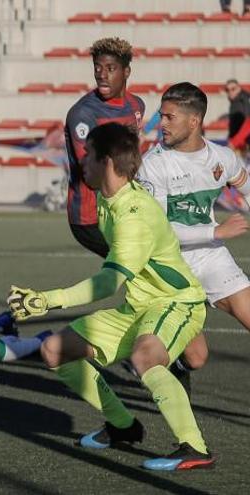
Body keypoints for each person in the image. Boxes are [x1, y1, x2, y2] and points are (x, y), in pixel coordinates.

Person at [8, 122, 215, 471]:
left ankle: (194, 448)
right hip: (138, 306)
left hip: (174, 302)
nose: (81, 163)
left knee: (145, 358)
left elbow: (107, 284)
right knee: (55, 350)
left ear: (105, 162)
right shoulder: (109, 199)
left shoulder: (133, 216)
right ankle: (122, 426)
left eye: (87, 156)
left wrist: (46, 300)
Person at [137, 83, 250, 385]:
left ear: (194, 121)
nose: (160, 124)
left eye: (169, 118)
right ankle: (176, 366)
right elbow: (159, 233)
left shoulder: (222, 158)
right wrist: (216, 230)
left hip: (210, 257)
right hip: (168, 265)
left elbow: (247, 187)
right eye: (161, 116)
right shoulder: (152, 165)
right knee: (197, 357)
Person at [64, 37, 144, 258]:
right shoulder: (83, 114)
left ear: (126, 72)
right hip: (90, 217)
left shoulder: (137, 105)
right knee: (136, 264)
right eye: (97, 68)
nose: (101, 74)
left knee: (142, 267)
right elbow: (93, 175)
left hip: (125, 208)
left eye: (110, 68)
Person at [225, 79, 250, 150]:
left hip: (241, 144)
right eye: (227, 90)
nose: (230, 92)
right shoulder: (236, 101)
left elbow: (247, 124)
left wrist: (234, 142)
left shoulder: (240, 102)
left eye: (233, 89)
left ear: (239, 88)